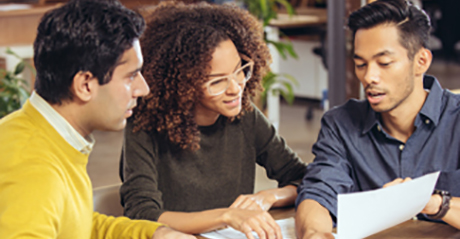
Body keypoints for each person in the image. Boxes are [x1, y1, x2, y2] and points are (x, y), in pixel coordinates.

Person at [0, 0, 194, 238]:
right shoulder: (33, 168)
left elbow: (75, 225)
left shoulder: (41, 133)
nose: (143, 89)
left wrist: (157, 234)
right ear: (85, 85)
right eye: (131, 76)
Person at [119, 2, 307, 239]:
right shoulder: (146, 124)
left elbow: (303, 177)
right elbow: (142, 215)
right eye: (217, 81)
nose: (236, 88)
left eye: (240, 70)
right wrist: (226, 216)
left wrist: (267, 197)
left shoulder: (245, 116)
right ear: (183, 84)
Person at [295, 0, 460, 238]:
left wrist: (431, 203)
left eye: (384, 63)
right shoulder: (340, 125)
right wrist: (314, 233)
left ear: (421, 61)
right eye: (361, 64)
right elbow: (319, 192)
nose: (369, 77)